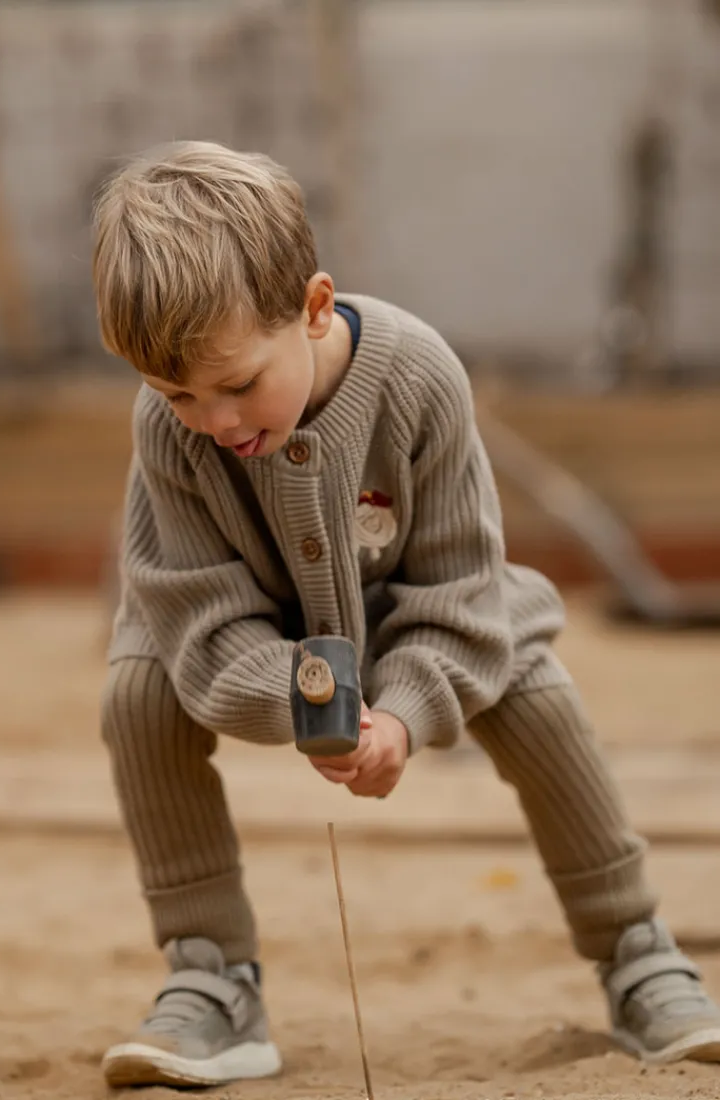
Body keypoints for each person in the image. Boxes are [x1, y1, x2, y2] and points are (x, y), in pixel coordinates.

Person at [91, 140, 720, 1089]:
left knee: (536, 689)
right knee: (138, 694)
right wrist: (317, 705)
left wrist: (403, 715)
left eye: (237, 384)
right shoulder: (169, 434)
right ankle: (212, 981)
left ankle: (637, 953)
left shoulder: (419, 376)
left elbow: (464, 591)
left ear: (310, 307)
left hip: (423, 610)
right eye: (177, 393)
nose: (216, 421)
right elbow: (200, 624)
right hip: (244, 641)